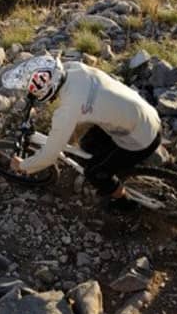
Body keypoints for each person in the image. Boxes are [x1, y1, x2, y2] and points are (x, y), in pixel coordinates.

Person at [10, 56, 161, 208]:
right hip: (145, 115)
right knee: (87, 144)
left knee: (94, 174)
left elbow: (49, 156)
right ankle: (109, 168)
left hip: (141, 138)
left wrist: (23, 166)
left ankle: (124, 202)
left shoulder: (69, 110)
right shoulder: (75, 68)